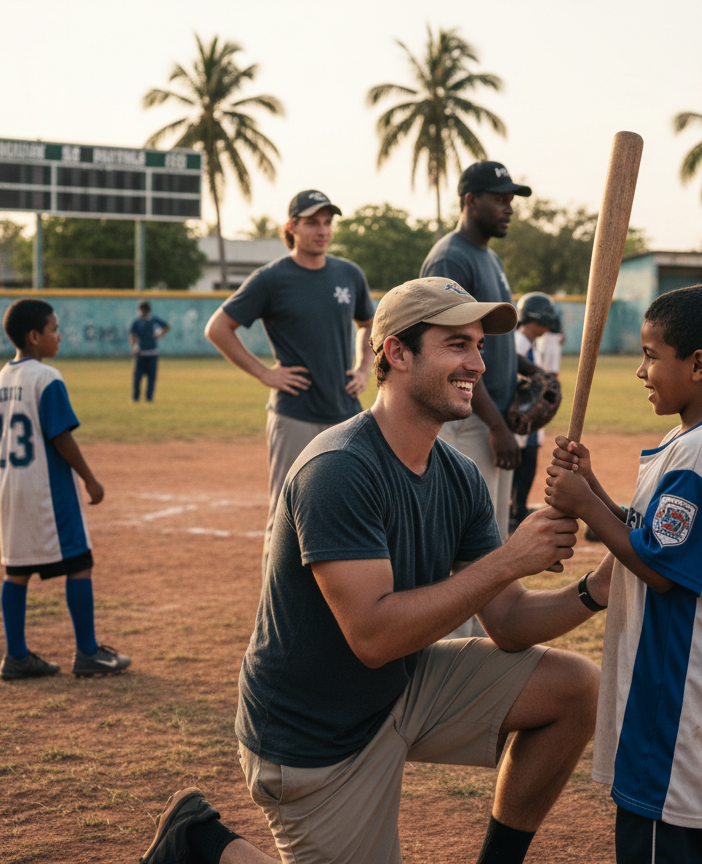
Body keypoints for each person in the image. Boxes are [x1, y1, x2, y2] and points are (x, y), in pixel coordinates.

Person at [141, 277, 602, 864]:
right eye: (457, 345)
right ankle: (201, 845)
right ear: (397, 353)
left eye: (480, 347)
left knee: (575, 688)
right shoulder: (339, 468)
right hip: (317, 733)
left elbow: (508, 620)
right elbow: (374, 637)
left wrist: (594, 589)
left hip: (400, 687)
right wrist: (511, 557)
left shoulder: (457, 476)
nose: (478, 365)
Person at [545, 284, 702, 864]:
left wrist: (587, 508)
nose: (640, 370)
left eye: (649, 355)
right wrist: (596, 490)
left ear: (697, 365)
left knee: (661, 848)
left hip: (676, 699)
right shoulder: (697, 439)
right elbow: (653, 536)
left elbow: (663, 572)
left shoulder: (698, 454)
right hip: (683, 692)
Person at [205, 190, 374, 574]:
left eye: (328, 222)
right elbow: (218, 328)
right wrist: (265, 373)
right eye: (312, 222)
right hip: (295, 415)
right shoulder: (271, 279)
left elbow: (369, 323)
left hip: (346, 414)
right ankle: (275, 618)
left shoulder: (349, 274)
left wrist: (364, 368)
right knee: (285, 513)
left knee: (353, 504)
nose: (322, 230)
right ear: (291, 227)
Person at [0, 299, 130, 680]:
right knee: (80, 563)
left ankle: (16, 656)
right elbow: (60, 436)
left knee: (15, 570)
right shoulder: (46, 376)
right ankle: (87, 653)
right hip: (46, 491)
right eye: (54, 329)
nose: (59, 335)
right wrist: (89, 477)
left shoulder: (1, 378)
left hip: (10, 490)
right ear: (34, 337)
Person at [421, 161, 535, 544]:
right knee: (465, 542)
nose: (509, 208)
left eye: (511, 200)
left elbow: (491, 341)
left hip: (489, 417)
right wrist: (497, 428)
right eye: (500, 199)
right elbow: (453, 354)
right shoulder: (451, 258)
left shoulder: (490, 258)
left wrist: (533, 371)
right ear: (471, 200)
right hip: (467, 420)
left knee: (492, 541)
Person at [509, 291, 560, 532]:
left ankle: (518, 508)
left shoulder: (530, 345)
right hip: (517, 422)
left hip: (528, 426)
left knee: (528, 466)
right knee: (520, 467)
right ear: (535, 318)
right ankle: (514, 511)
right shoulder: (517, 343)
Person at [128, 301, 170, 402]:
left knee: (151, 377)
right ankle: (135, 397)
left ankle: (149, 397)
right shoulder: (136, 321)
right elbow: (132, 335)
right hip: (140, 353)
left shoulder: (153, 319)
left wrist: (159, 335)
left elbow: (166, 327)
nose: (142, 313)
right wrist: (133, 346)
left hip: (152, 353)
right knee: (137, 377)